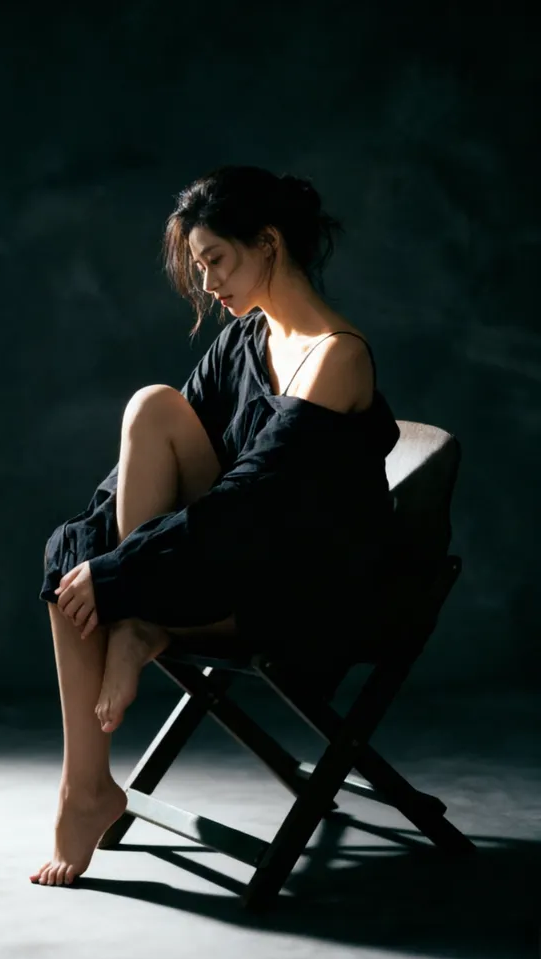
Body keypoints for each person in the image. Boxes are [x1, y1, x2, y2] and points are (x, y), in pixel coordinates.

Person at [30, 164, 400, 887]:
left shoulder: (338, 357)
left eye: (216, 261)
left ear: (268, 243)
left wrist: (121, 574)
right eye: (200, 267)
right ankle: (86, 786)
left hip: (307, 584)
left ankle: (138, 619)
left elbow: (254, 501)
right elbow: (152, 463)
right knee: (149, 414)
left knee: (110, 576)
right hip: (228, 554)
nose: (208, 283)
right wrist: (92, 558)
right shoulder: (244, 338)